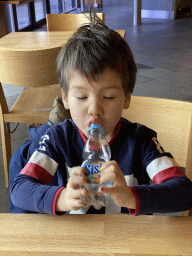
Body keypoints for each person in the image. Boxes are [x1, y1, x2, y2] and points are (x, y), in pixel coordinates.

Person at [10, 8, 192, 215]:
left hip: (128, 242)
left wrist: (131, 196)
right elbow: (19, 189)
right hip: (78, 240)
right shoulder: (56, 138)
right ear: (66, 99)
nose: (94, 109)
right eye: (81, 97)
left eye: (108, 97)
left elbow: (184, 191)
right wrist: (62, 198)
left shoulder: (141, 141)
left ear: (126, 98)